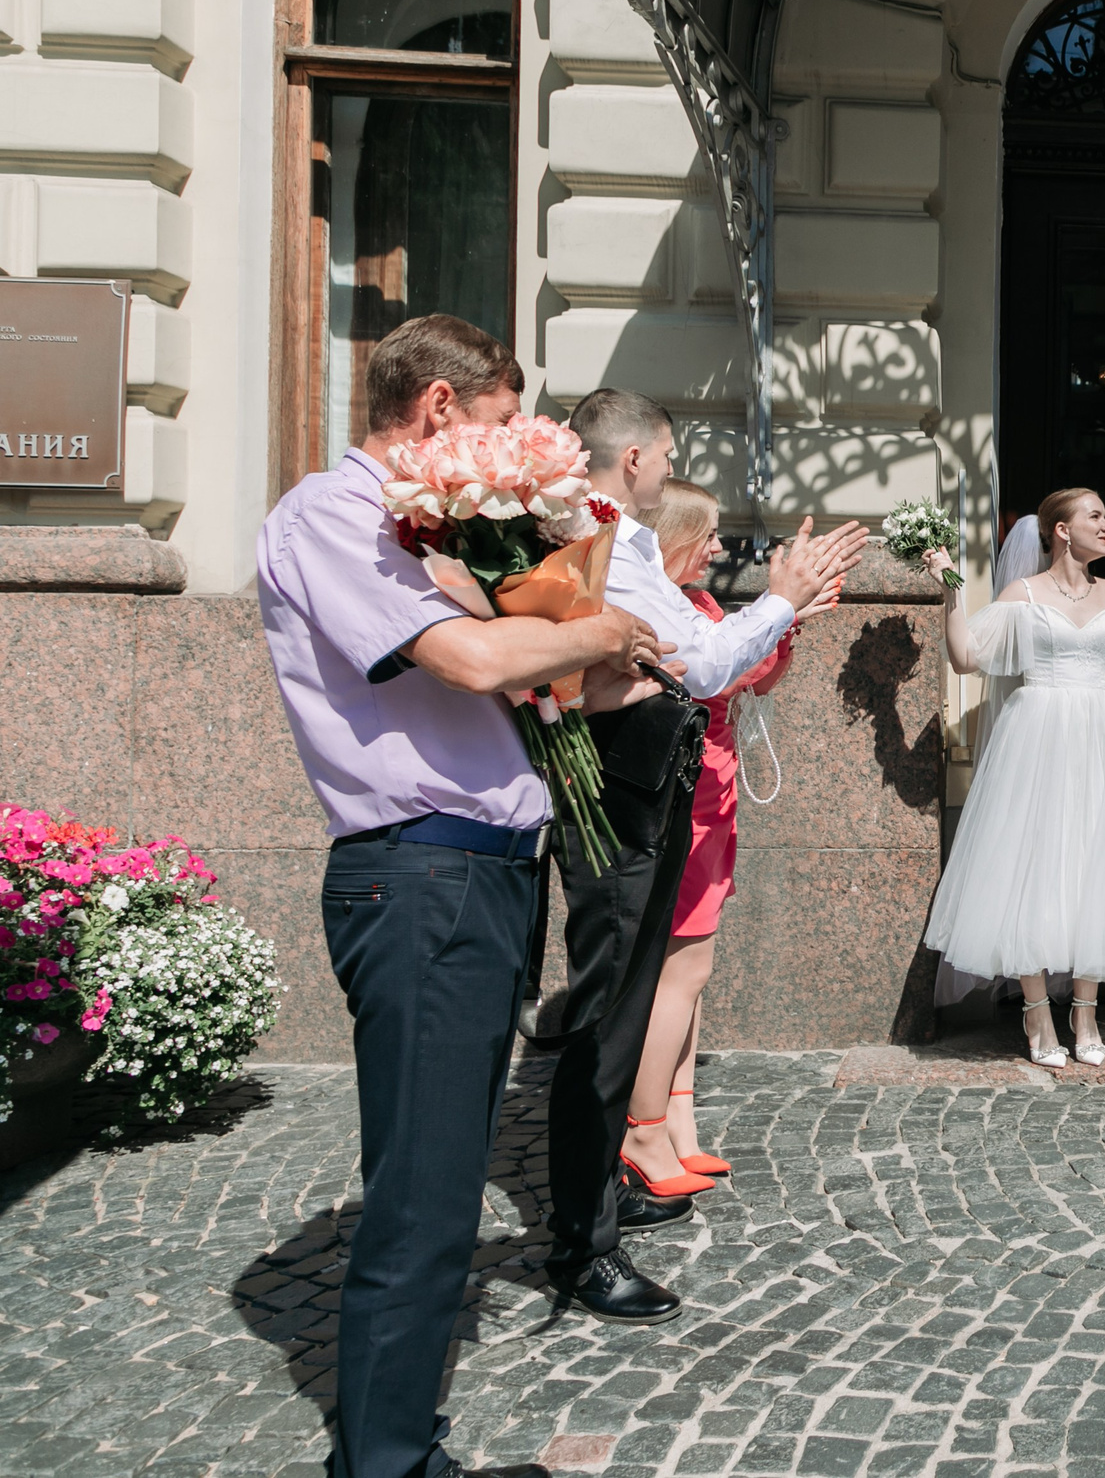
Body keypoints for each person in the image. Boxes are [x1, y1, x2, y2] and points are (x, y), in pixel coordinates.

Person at [257, 314, 668, 1478]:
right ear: (440, 410)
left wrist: (590, 658)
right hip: (421, 867)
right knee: (429, 1191)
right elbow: (476, 666)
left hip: (476, 866)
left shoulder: (421, 533)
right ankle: (386, 1462)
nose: (503, 448)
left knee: (438, 1174)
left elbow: (511, 696)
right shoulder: (331, 515)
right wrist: (598, 622)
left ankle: (397, 1447)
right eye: (495, 424)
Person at [545, 387, 865, 1324]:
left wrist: (780, 605)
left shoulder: (633, 546)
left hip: (658, 784)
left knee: (635, 996)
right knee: (607, 1017)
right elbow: (702, 666)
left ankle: (605, 1189)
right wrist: (782, 597)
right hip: (620, 789)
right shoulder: (592, 542)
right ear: (637, 458)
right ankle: (582, 1244)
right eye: (669, 450)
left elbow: (699, 654)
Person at [922, 488, 1105, 1066]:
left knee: (1098, 867)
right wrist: (949, 586)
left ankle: (1086, 1011)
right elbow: (966, 656)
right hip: (1036, 738)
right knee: (1031, 867)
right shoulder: (1024, 594)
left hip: (1098, 739)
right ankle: (1036, 1013)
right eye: (1097, 515)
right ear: (1062, 530)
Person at [618, 479, 828, 1193]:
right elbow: (715, 673)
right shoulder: (661, 608)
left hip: (715, 786)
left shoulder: (699, 603)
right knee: (683, 966)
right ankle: (643, 1132)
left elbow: (755, 676)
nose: (717, 546)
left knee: (693, 972)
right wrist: (779, 607)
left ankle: (678, 1125)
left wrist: (787, 617)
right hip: (687, 792)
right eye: (706, 533)